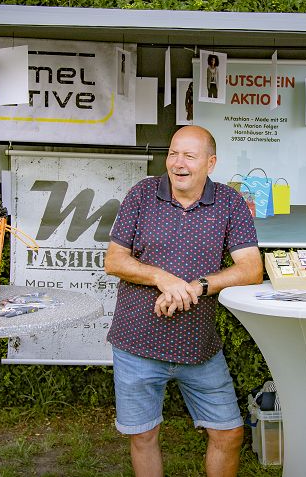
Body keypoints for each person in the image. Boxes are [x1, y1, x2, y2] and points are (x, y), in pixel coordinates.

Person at [105, 125, 263, 477]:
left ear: (211, 163)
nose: (178, 163)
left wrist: (196, 287)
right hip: (137, 342)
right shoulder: (142, 194)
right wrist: (163, 278)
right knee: (144, 435)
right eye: (173, 153)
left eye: (189, 156)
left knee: (228, 433)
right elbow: (114, 261)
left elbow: (251, 268)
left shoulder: (230, 202)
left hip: (199, 347)